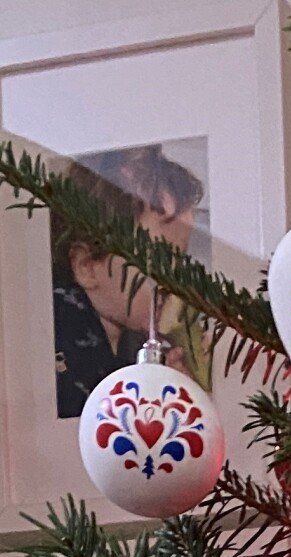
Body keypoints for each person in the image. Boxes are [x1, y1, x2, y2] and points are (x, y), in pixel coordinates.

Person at [52, 143, 206, 418]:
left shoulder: (133, 344)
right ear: (87, 266)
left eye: (181, 259)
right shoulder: (67, 357)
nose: (176, 280)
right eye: (160, 258)